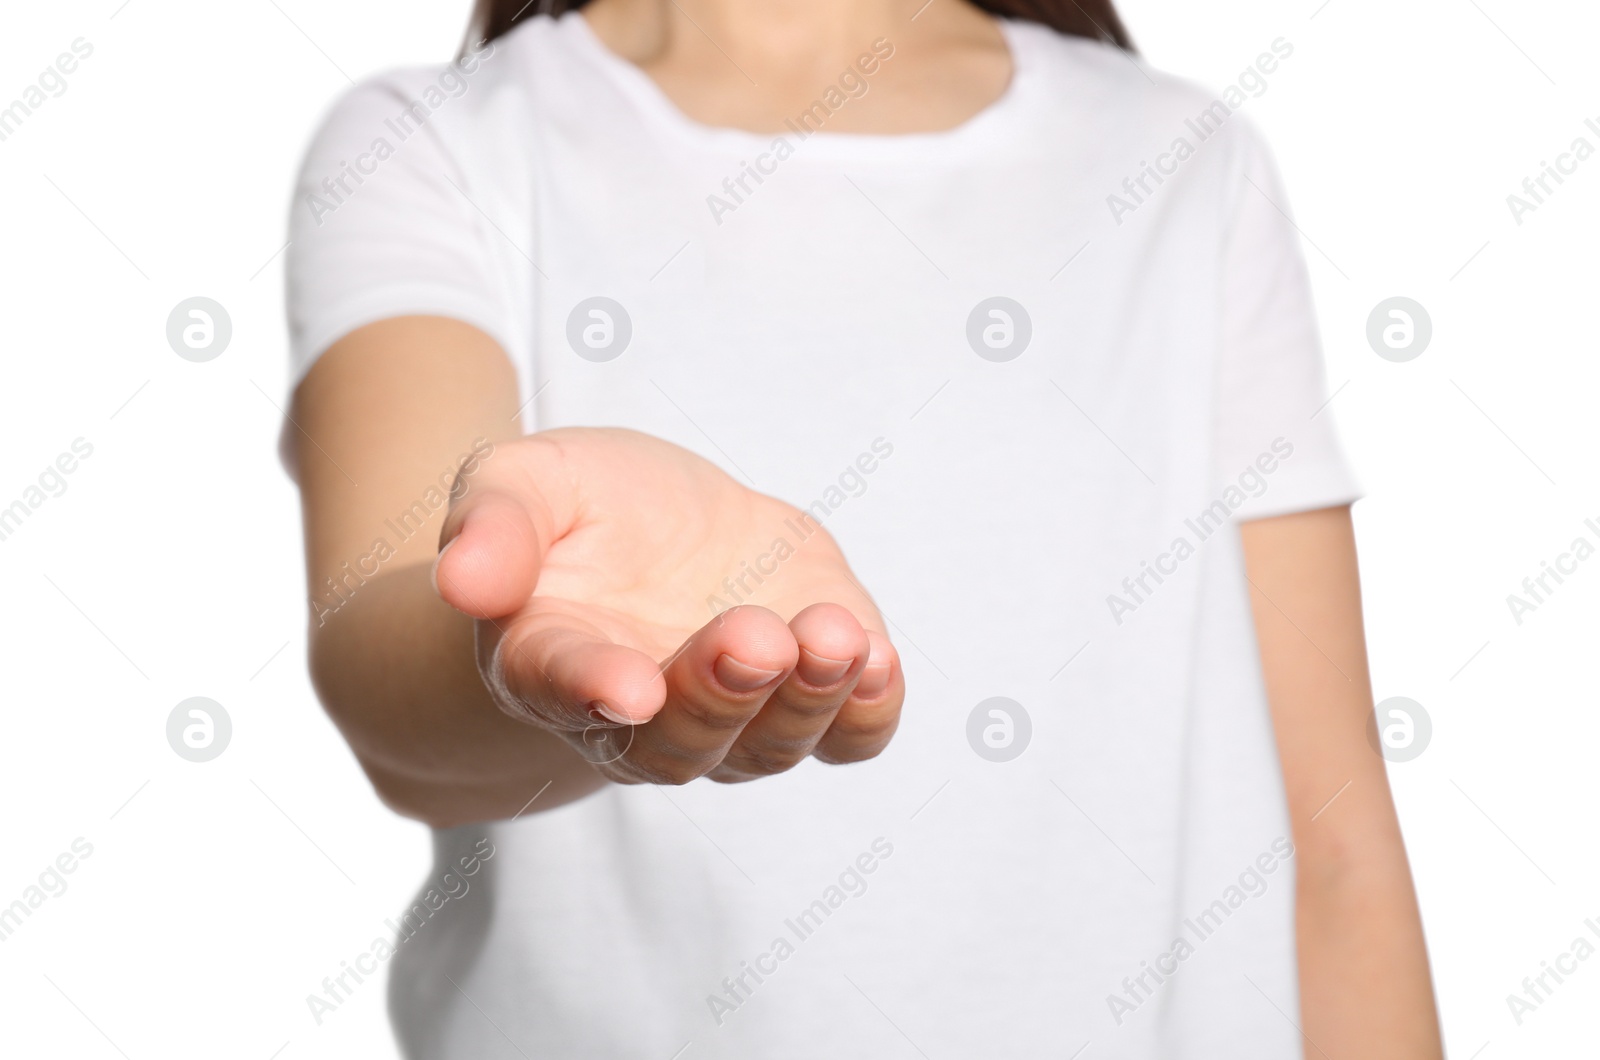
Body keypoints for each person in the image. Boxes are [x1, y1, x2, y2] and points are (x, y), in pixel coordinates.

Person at [284, 0, 1444, 1055]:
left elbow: (1330, 850)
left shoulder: (1183, 164)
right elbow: (388, 665)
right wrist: (519, 638)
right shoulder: (439, 145)